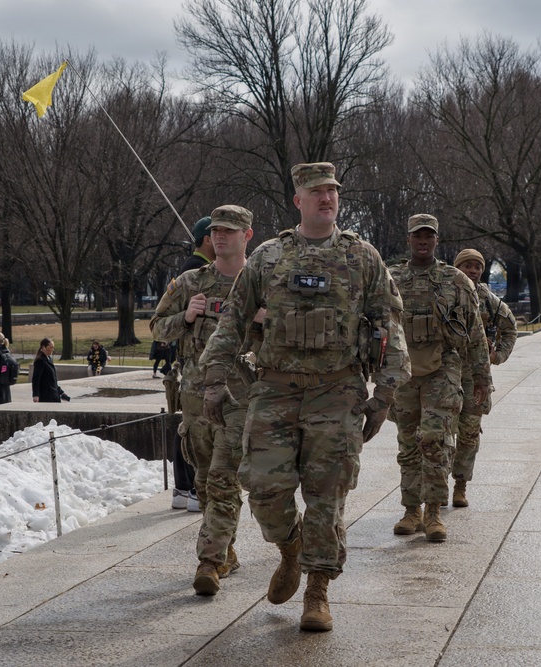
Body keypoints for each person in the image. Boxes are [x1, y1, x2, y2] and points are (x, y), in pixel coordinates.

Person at [198, 162, 410, 632]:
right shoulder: (270, 257)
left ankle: (317, 590)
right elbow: (232, 321)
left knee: (326, 498)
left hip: (337, 392)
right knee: (264, 490)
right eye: (316, 191)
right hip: (274, 390)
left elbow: (388, 323)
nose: (326, 198)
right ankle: (289, 547)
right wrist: (214, 377)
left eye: (332, 191)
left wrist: (386, 393)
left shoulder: (362, 258)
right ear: (298, 200)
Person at [150, 204, 257, 597]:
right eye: (215, 230)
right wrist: (186, 318)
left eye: (229, 230)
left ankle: (208, 561)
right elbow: (158, 328)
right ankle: (226, 549)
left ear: (247, 235)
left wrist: (264, 320)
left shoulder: (261, 284)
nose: (219, 236)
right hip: (195, 398)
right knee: (204, 482)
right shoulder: (190, 282)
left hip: (240, 397)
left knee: (224, 479)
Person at [389, 219, 491, 540]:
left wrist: (481, 379)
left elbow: (475, 334)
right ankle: (411, 509)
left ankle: (433, 510)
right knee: (408, 442)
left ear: (436, 240)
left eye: (428, 236)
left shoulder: (456, 280)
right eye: (417, 235)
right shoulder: (391, 279)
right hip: (404, 369)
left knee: (434, 439)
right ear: (408, 239)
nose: (423, 241)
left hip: (443, 369)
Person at [450, 248, 515, 508]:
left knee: (469, 433)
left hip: (476, 377)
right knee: (440, 432)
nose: (473, 270)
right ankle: (435, 485)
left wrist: (497, 355)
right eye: (467, 265)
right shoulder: (446, 295)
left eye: (477, 266)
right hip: (446, 374)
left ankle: (460, 485)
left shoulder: (489, 301)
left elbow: (510, 329)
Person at [165, 215, 218, 511]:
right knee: (193, 428)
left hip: (194, 360)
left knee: (189, 424)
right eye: (217, 233)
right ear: (207, 239)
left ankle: (185, 488)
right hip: (196, 360)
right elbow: (162, 323)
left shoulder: (191, 267)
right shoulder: (196, 271)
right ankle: (192, 487)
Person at [32, 338, 69, 403]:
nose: (52, 350)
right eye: (50, 347)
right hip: (46, 396)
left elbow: (53, 380)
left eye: (53, 348)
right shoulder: (40, 361)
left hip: (54, 394)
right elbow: (36, 379)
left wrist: (61, 393)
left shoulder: (49, 359)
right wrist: (35, 395)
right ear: (44, 347)